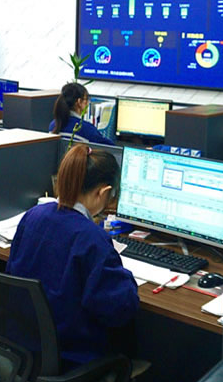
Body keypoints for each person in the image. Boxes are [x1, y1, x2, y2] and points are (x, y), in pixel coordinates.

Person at [7, 144, 139, 366]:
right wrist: (125, 275)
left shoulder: (33, 215)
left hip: (23, 349)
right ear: (103, 192)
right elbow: (120, 308)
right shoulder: (92, 238)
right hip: (70, 357)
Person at [49, 82, 115, 146]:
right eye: (86, 100)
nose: (88, 103)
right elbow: (112, 148)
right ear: (79, 102)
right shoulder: (86, 128)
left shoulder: (54, 125)